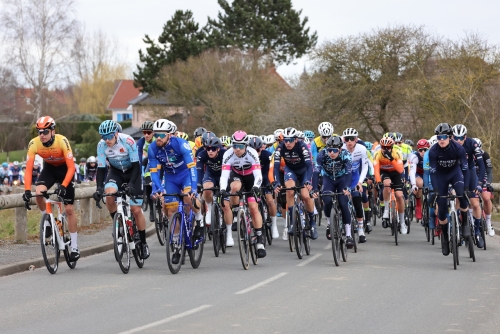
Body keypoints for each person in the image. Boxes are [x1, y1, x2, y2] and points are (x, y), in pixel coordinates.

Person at [22, 116, 80, 261]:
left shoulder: (62, 141)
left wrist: (64, 186)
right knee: (39, 193)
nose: (42, 135)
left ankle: (74, 247)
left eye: (45, 132)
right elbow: (28, 170)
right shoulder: (34, 144)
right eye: (39, 132)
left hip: (65, 171)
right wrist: (27, 190)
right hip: (49, 170)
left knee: (69, 210)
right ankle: (47, 220)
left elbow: (72, 167)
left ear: (53, 131)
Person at [148, 119, 203, 264]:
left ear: (170, 135)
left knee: (188, 198)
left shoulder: (181, 144)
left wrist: (193, 188)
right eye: (155, 135)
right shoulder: (153, 148)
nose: (158, 138)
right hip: (171, 178)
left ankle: (199, 219)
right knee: (171, 209)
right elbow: (154, 172)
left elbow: (192, 167)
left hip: (185, 175)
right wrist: (157, 188)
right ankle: (177, 244)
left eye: (161, 135)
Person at [93, 120, 150, 260]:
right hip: (116, 172)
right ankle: (117, 224)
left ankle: (143, 243)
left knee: (136, 210)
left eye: (109, 136)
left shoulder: (128, 141)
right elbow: (101, 169)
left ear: (116, 133)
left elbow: (137, 166)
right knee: (109, 195)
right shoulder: (101, 145)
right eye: (103, 137)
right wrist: (99, 188)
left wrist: (131, 183)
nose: (106, 140)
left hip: (132, 172)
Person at [219, 130, 265, 256]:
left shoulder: (252, 153)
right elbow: (224, 176)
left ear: (245, 145)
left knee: (253, 207)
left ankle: (260, 241)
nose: (237, 149)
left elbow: (258, 175)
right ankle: (235, 214)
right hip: (237, 175)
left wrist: (256, 186)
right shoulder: (228, 154)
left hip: (251, 178)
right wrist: (223, 190)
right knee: (234, 188)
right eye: (234, 146)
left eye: (240, 146)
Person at [429, 123, 470, 256]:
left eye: (444, 137)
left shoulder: (458, 149)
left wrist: (466, 188)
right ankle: (445, 238)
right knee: (441, 208)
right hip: (441, 177)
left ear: (450, 137)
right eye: (439, 136)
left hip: (455, 174)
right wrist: (435, 190)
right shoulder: (433, 151)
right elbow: (433, 173)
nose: (441, 139)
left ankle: (464, 223)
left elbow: (465, 170)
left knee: (461, 195)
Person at [273, 127, 318, 240]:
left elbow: (309, 165)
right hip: (291, 170)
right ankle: (292, 222)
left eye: (291, 140)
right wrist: (277, 182)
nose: (288, 143)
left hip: (304, 171)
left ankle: (312, 223)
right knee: (289, 190)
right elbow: (276, 166)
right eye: (285, 140)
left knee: (305, 196)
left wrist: (308, 180)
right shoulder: (280, 148)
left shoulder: (302, 147)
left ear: (296, 140)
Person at [313, 136, 355, 248]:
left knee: (343, 202)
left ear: (340, 149)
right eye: (329, 150)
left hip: (342, 179)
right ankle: (329, 224)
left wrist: (347, 187)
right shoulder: (322, 154)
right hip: (328, 179)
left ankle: (349, 235)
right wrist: (315, 189)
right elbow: (316, 172)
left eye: (335, 150)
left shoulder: (346, 154)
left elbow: (349, 173)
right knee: (326, 199)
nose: (332, 153)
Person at [452, 124, 486, 248]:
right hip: (456, 171)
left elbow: (481, 165)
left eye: (461, 137)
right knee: (456, 198)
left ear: (465, 137)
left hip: (470, 171)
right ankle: (457, 225)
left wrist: (480, 184)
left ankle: (477, 232)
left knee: (475, 202)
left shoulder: (472, 144)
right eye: (456, 137)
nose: (459, 140)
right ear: (452, 137)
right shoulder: (449, 145)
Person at [373, 136, 407, 234]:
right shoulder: (377, 154)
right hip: (385, 172)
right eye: (383, 147)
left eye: (388, 147)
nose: (385, 149)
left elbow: (400, 169)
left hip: (396, 172)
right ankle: (386, 210)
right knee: (387, 185)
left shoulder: (397, 152)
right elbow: (376, 170)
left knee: (399, 196)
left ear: (392, 147)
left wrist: (391, 158)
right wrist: (379, 181)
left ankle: (402, 222)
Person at [248, 136, 279, 239]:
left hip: (266, 177)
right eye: (253, 150)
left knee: (270, 200)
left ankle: (274, 225)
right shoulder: (248, 156)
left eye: (258, 150)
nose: (256, 152)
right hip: (253, 178)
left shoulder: (268, 155)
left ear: (261, 148)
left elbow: (272, 170)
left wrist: (272, 182)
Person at [342, 128, 369, 243]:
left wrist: (360, 182)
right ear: (344, 140)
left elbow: (365, 167)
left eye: (352, 139)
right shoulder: (341, 149)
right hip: (343, 176)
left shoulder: (362, 149)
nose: (349, 141)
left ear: (356, 139)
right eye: (347, 139)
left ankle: (361, 229)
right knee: (341, 199)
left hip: (355, 177)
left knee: (357, 198)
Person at [137, 121, 155, 222]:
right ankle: (152, 209)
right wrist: (139, 173)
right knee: (147, 182)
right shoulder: (141, 142)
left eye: (148, 132)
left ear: (153, 133)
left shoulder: (158, 139)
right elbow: (138, 158)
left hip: (160, 161)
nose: (146, 135)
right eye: (144, 132)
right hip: (150, 161)